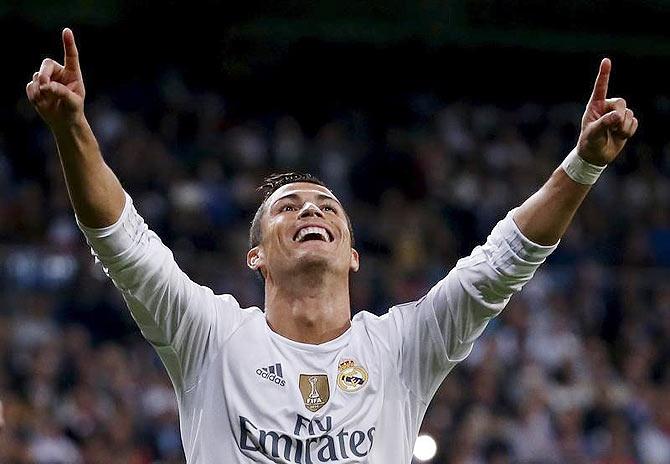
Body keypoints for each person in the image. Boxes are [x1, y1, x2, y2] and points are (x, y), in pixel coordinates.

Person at [26, 28, 638, 463]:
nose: (310, 210)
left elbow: (502, 264)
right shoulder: (210, 337)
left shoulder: (401, 349)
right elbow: (123, 244)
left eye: (326, 208)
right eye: (286, 208)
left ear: (352, 254)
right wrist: (72, 128)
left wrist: (582, 165)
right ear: (256, 255)